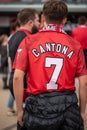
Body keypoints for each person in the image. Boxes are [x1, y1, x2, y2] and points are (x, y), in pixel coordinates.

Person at [13, 0, 87, 130]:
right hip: (67, 106)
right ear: (64, 20)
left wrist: (19, 110)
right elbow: (84, 82)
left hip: (37, 105)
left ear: (43, 18)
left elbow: (17, 77)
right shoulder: (75, 45)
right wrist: (82, 111)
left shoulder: (29, 41)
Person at [8, 8, 40, 97]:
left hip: (14, 79)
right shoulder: (29, 39)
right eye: (37, 20)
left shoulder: (12, 37)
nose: (39, 24)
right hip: (24, 83)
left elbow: (10, 60)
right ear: (30, 23)